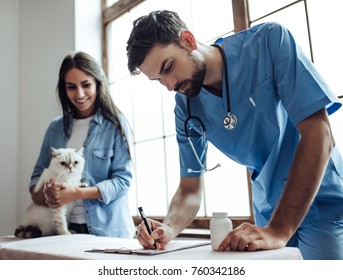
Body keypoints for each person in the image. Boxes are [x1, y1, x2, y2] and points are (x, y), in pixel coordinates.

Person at [126, 10, 343, 259]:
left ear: (188, 40)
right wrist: (169, 227)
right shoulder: (185, 108)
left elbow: (320, 135)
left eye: (169, 67)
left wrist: (279, 229)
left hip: (320, 202)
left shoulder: (269, 42)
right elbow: (189, 190)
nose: (170, 85)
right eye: (158, 79)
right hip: (268, 213)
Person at [30, 51, 135, 237]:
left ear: (98, 83)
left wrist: (77, 193)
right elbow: (35, 181)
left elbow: (123, 181)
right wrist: (46, 195)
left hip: (107, 230)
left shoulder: (115, 125)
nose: (79, 94)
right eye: (71, 87)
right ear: (64, 89)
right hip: (62, 230)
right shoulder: (55, 128)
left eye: (86, 85)